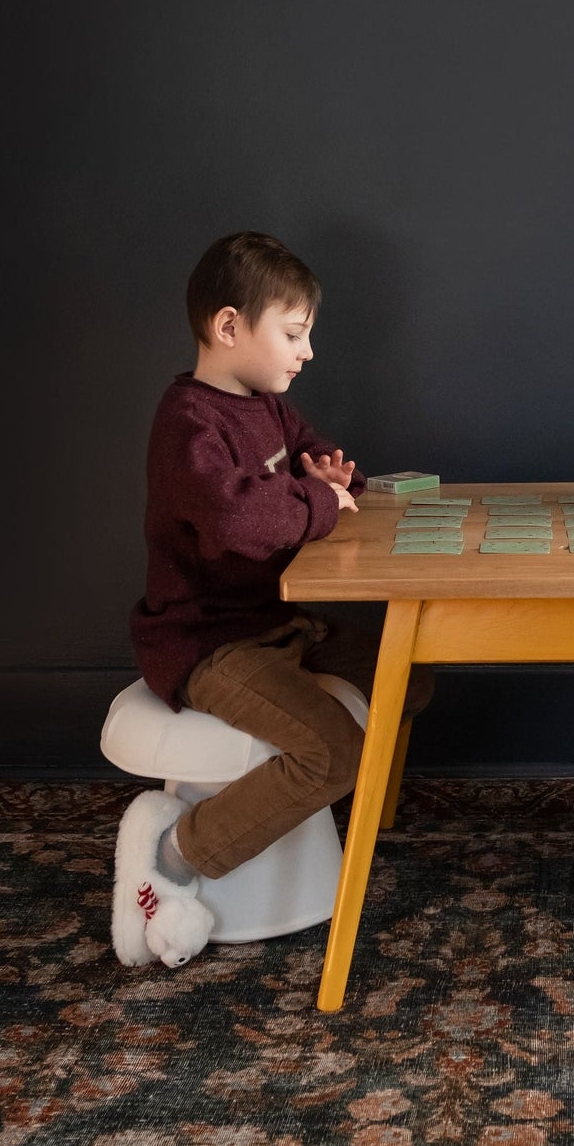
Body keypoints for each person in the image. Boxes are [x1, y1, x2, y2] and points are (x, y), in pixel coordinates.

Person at [113, 230, 429, 969]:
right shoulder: (187, 423)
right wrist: (317, 502)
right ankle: (180, 848)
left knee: (412, 664)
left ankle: (357, 827)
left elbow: (312, 465)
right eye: (293, 334)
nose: (307, 352)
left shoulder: (268, 408)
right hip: (208, 642)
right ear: (229, 328)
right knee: (332, 753)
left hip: (278, 622)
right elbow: (238, 521)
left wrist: (329, 474)